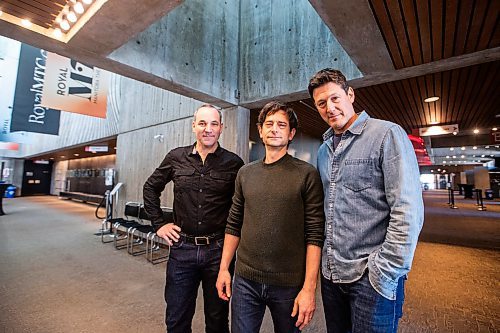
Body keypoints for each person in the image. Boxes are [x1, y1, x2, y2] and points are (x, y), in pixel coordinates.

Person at [307, 68, 424, 333]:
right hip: (332, 274)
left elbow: (408, 211)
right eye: (321, 103)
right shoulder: (324, 150)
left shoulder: (387, 135)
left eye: (335, 98)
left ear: (350, 94)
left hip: (370, 277)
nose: (330, 107)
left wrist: (384, 270)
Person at [216, 101, 325, 333]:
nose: (274, 129)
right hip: (245, 280)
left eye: (282, 125)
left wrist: (309, 289)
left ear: (291, 133)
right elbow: (234, 224)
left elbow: (315, 235)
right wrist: (224, 268)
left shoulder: (307, 174)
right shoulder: (245, 173)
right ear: (261, 130)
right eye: (269, 124)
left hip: (289, 284)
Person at [143, 104, 244, 333]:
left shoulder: (234, 163)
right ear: (193, 126)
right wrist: (159, 224)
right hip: (182, 249)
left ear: (221, 128)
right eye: (202, 123)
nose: (208, 129)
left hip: (218, 252)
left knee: (218, 320)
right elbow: (150, 188)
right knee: (177, 319)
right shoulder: (176, 157)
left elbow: (242, 207)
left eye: (213, 124)